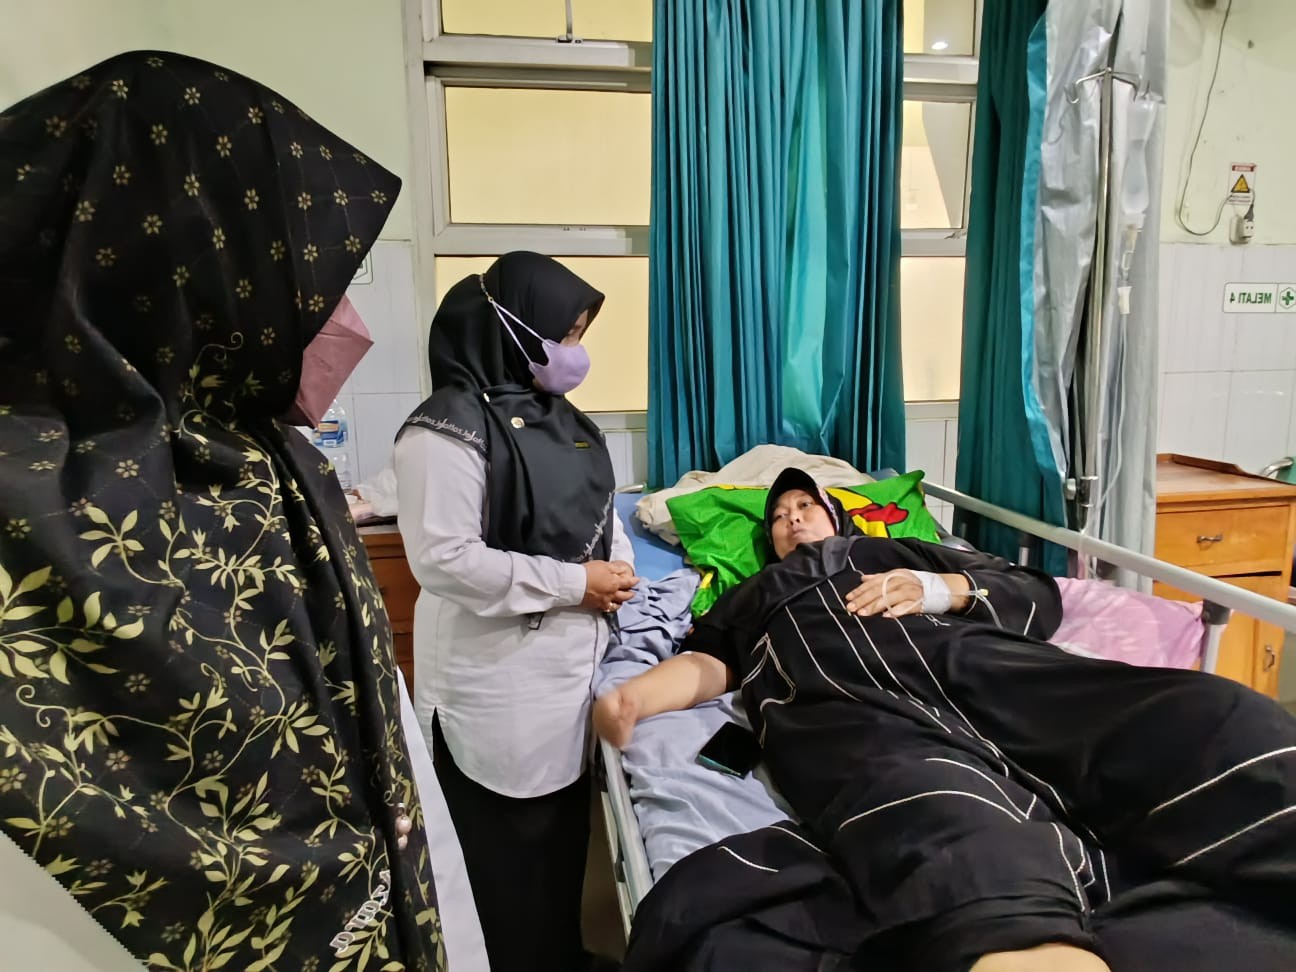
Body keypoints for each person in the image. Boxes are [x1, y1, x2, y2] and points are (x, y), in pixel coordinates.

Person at [0, 52, 448, 970]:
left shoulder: (257, 456)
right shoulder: (36, 501)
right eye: (307, 275)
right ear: (192, 261)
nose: (338, 317)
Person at [596, 467, 1296, 971]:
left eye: (805, 505)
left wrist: (936, 587)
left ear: (837, 516)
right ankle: (1029, 938)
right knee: (943, 811)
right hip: (839, 698)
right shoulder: (749, 595)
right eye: (778, 515)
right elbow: (710, 665)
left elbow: (1030, 589)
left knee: (1208, 714)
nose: (792, 519)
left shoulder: (887, 551)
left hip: (972, 661)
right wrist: (633, 699)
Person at [395, 252, 639, 971]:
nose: (575, 350)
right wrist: (576, 584)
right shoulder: (446, 427)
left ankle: (559, 956)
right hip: (493, 689)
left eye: (580, 333)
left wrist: (618, 571)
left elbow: (605, 519)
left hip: (567, 682)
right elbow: (445, 559)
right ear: (513, 326)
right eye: (565, 333)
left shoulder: (570, 425)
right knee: (502, 867)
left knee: (558, 852)